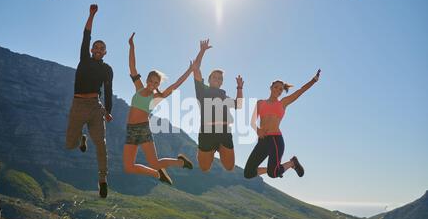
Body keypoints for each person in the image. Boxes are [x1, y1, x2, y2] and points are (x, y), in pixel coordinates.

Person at [124, 32, 194, 185]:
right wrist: (131, 46)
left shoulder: (156, 98)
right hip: (130, 129)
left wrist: (190, 70)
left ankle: (181, 162)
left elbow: (175, 85)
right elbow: (132, 66)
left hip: (142, 129)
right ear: (147, 80)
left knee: (155, 162)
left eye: (156, 83)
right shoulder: (138, 88)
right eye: (151, 81)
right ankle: (157, 174)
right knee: (129, 167)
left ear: (158, 85)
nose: (153, 84)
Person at [65, 4, 113, 198]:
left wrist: (108, 110)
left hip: (95, 107)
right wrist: (91, 15)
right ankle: (81, 138)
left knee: (101, 142)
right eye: (96, 47)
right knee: (70, 144)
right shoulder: (84, 58)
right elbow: (86, 34)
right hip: (78, 105)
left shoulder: (107, 69)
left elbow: (108, 90)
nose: (98, 49)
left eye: (102, 48)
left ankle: (102, 179)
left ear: (105, 52)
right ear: (92, 49)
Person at [244, 69, 321, 179]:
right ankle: (274, 168)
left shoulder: (283, 103)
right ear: (271, 88)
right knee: (248, 173)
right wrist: (258, 130)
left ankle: (291, 163)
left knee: (273, 174)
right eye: (276, 87)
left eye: (280, 89)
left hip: (275, 139)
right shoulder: (260, 103)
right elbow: (251, 121)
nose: (278, 90)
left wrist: (313, 80)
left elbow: (300, 91)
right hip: (262, 140)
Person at [193, 39, 244, 172]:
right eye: (214, 77)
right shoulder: (202, 91)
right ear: (209, 79)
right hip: (206, 132)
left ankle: (218, 149)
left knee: (229, 167)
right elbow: (196, 69)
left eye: (220, 78)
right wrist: (202, 51)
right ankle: (207, 151)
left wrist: (239, 87)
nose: (217, 79)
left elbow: (239, 105)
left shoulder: (225, 97)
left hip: (224, 132)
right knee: (204, 168)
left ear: (222, 82)